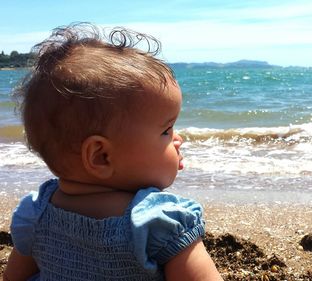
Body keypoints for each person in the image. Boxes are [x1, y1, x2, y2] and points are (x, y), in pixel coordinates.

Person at [3, 23, 222, 281]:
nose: (178, 138)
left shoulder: (36, 214)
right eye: (166, 130)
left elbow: (13, 278)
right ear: (101, 156)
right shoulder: (156, 223)